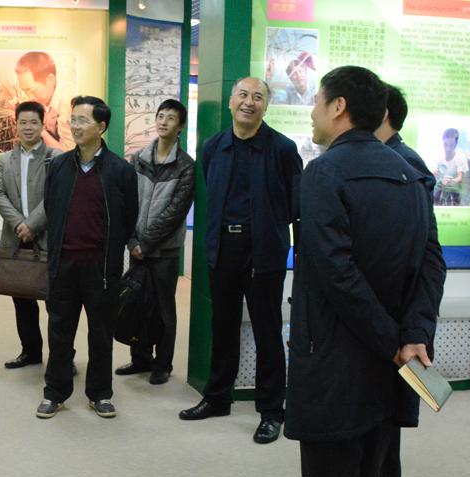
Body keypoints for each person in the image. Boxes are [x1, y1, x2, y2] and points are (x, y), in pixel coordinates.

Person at [280, 66, 446, 477]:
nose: (312, 111)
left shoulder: (325, 172)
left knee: (329, 476)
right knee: (365, 470)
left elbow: (336, 272)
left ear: (339, 107)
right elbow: (431, 263)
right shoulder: (411, 173)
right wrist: (412, 335)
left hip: (333, 352)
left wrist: (391, 341)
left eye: (316, 100)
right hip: (391, 358)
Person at [178, 77, 302, 445]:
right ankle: (218, 398)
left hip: (264, 251)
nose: (249, 102)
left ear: (266, 106)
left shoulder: (283, 148)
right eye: (243, 95)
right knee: (223, 327)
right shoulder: (214, 146)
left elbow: (296, 204)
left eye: (258, 97)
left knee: (267, 331)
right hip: (223, 248)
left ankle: (272, 411)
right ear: (231, 102)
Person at [37, 96, 139, 419]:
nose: (75, 126)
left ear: (101, 126)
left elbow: (129, 217)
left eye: (83, 120)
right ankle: (55, 392)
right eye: (74, 119)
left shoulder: (121, 170)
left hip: (102, 268)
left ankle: (100, 393)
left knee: (101, 334)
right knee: (59, 332)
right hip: (64, 264)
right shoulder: (58, 167)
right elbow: (51, 209)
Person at [373, 83, 436, 477]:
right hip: (389, 298)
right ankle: (382, 472)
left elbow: (424, 247)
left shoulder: (404, 162)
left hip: (397, 300)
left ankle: (385, 476)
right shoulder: (387, 156)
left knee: (388, 392)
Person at [116, 98, 195, 385]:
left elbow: (175, 212)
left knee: (163, 309)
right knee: (136, 301)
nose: (163, 121)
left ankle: (163, 364)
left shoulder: (186, 166)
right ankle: (140, 358)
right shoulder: (138, 158)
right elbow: (126, 200)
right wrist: (132, 240)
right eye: (161, 116)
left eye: (171, 118)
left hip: (164, 251)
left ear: (180, 126)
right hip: (137, 246)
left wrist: (145, 243)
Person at [0, 101, 61, 369]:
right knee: (22, 298)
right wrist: (19, 224)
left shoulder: (55, 158)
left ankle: (61, 357)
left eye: (33, 122)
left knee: (56, 304)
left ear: (42, 124)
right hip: (16, 238)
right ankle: (30, 352)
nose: (28, 127)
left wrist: (32, 224)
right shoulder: (6, 159)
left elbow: (55, 195)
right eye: (23, 122)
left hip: (47, 238)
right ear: (16, 125)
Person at [15, 52, 74, 151]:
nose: (29, 98)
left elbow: (68, 153)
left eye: (31, 90)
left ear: (50, 80)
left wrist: (40, 130)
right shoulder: (48, 94)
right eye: (25, 91)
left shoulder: (67, 102)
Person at [433, 127, 468, 206]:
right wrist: (440, 180)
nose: (448, 148)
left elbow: (460, 178)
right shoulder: (438, 157)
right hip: (440, 190)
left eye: (451, 145)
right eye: (446, 145)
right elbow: (434, 173)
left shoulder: (460, 157)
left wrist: (450, 181)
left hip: (454, 191)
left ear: (456, 144)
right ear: (443, 142)